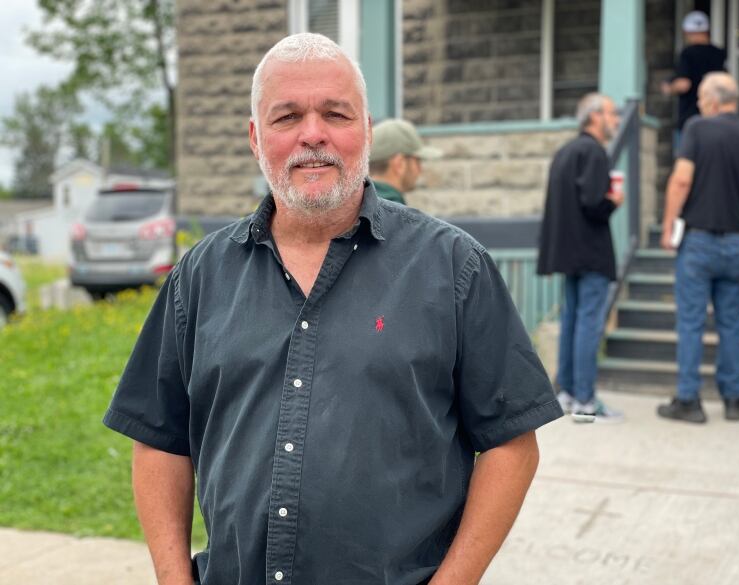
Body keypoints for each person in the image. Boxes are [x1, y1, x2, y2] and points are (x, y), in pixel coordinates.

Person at [103, 33, 563, 585]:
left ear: (366, 131)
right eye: (287, 116)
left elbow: (512, 445)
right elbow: (158, 439)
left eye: (336, 114)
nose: (312, 134)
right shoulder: (199, 277)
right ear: (256, 138)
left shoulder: (454, 269)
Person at [658, 72, 739, 424]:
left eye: (702, 98)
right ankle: (733, 399)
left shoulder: (697, 128)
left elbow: (680, 180)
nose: (700, 105)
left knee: (691, 322)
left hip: (698, 241)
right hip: (736, 241)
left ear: (712, 99)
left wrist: (667, 227)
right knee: (731, 323)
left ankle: (689, 400)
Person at [536, 93, 624, 423]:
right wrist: (614, 201)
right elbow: (592, 203)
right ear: (595, 117)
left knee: (573, 321)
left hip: (568, 253)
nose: (616, 121)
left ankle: (569, 392)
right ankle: (586, 400)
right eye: (612, 114)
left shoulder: (565, 152)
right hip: (591, 253)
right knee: (588, 323)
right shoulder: (594, 152)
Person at [661, 11, 727, 147]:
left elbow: (683, 84)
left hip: (690, 119)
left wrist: (669, 88)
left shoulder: (687, 53)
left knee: (687, 160)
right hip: (715, 116)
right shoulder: (719, 54)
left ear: (687, 32)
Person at [368, 118, 442, 204]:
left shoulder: (357, 206)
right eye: (417, 161)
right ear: (399, 164)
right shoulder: (394, 213)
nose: (420, 170)